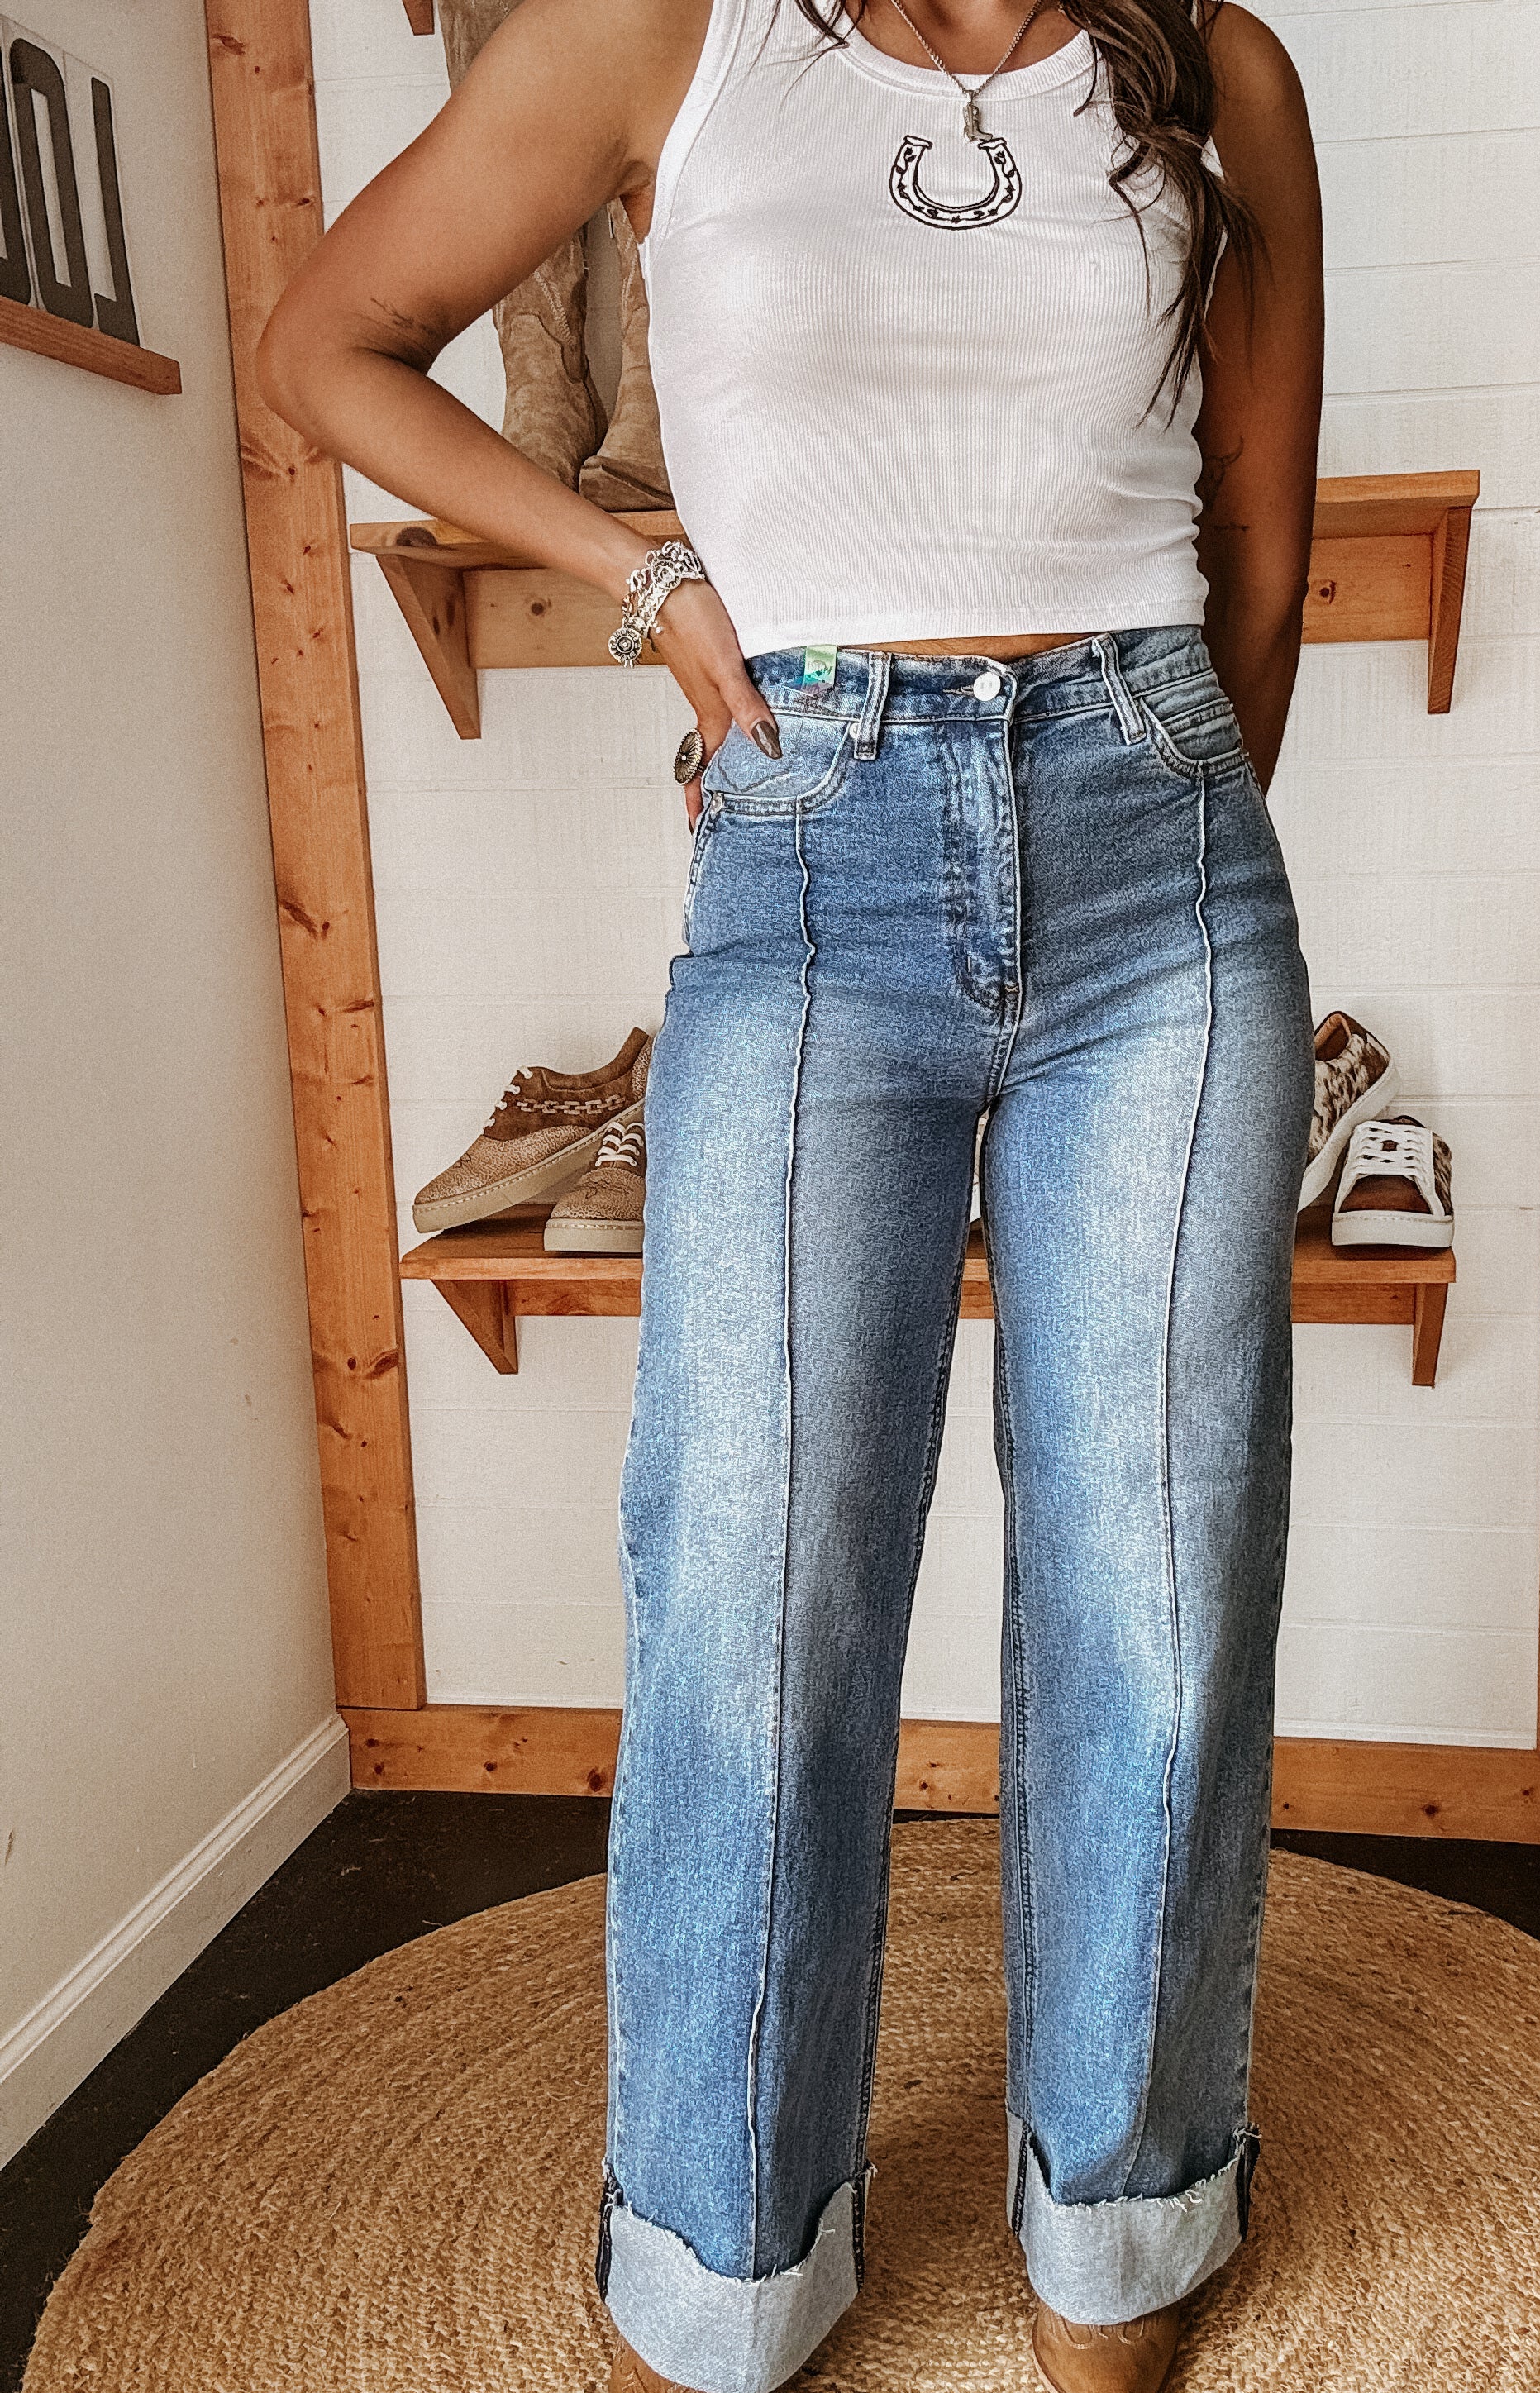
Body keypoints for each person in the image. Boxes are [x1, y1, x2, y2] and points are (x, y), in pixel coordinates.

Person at [257, 0, 1323, 2386]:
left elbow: (1253, 551)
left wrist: (1147, 829)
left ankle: (1121, 2227)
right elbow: (326, 344)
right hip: (809, 841)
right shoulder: (660, 30)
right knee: (750, 1591)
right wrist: (642, 583)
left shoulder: (1216, 64)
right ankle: (727, 2262)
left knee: (1159, 1586)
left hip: (1161, 850)